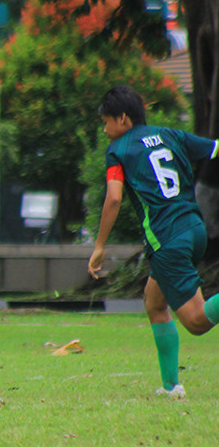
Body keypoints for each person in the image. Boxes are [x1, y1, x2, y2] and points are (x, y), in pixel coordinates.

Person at [88, 85, 219, 399]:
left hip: (168, 238)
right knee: (155, 302)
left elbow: (114, 198)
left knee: (197, 322)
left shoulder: (118, 150)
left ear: (123, 119)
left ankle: (173, 386)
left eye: (106, 122)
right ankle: (171, 386)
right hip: (195, 229)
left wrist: (99, 245)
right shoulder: (171, 134)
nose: (105, 130)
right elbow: (214, 148)